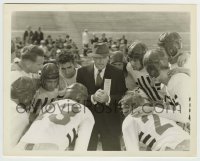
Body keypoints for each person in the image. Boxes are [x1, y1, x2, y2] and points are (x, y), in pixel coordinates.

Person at [76, 43, 127, 151]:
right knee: (87, 153)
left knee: (112, 154)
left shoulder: (117, 73)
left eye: (103, 58)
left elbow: (122, 95)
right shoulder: (82, 72)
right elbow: (78, 96)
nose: (100, 61)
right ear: (93, 57)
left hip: (110, 120)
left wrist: (108, 99)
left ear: (108, 57)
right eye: (97, 58)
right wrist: (92, 97)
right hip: (88, 120)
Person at [16, 83, 95, 151]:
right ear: (81, 97)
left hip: (24, 143)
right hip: (50, 145)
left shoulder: (49, 105)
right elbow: (81, 148)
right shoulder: (85, 110)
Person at [121, 87, 190, 151]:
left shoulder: (129, 120)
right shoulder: (157, 111)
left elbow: (133, 151)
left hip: (168, 147)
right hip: (187, 140)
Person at [10, 76, 38, 148]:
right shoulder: (21, 115)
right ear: (27, 97)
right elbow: (11, 145)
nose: (32, 99)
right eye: (32, 96)